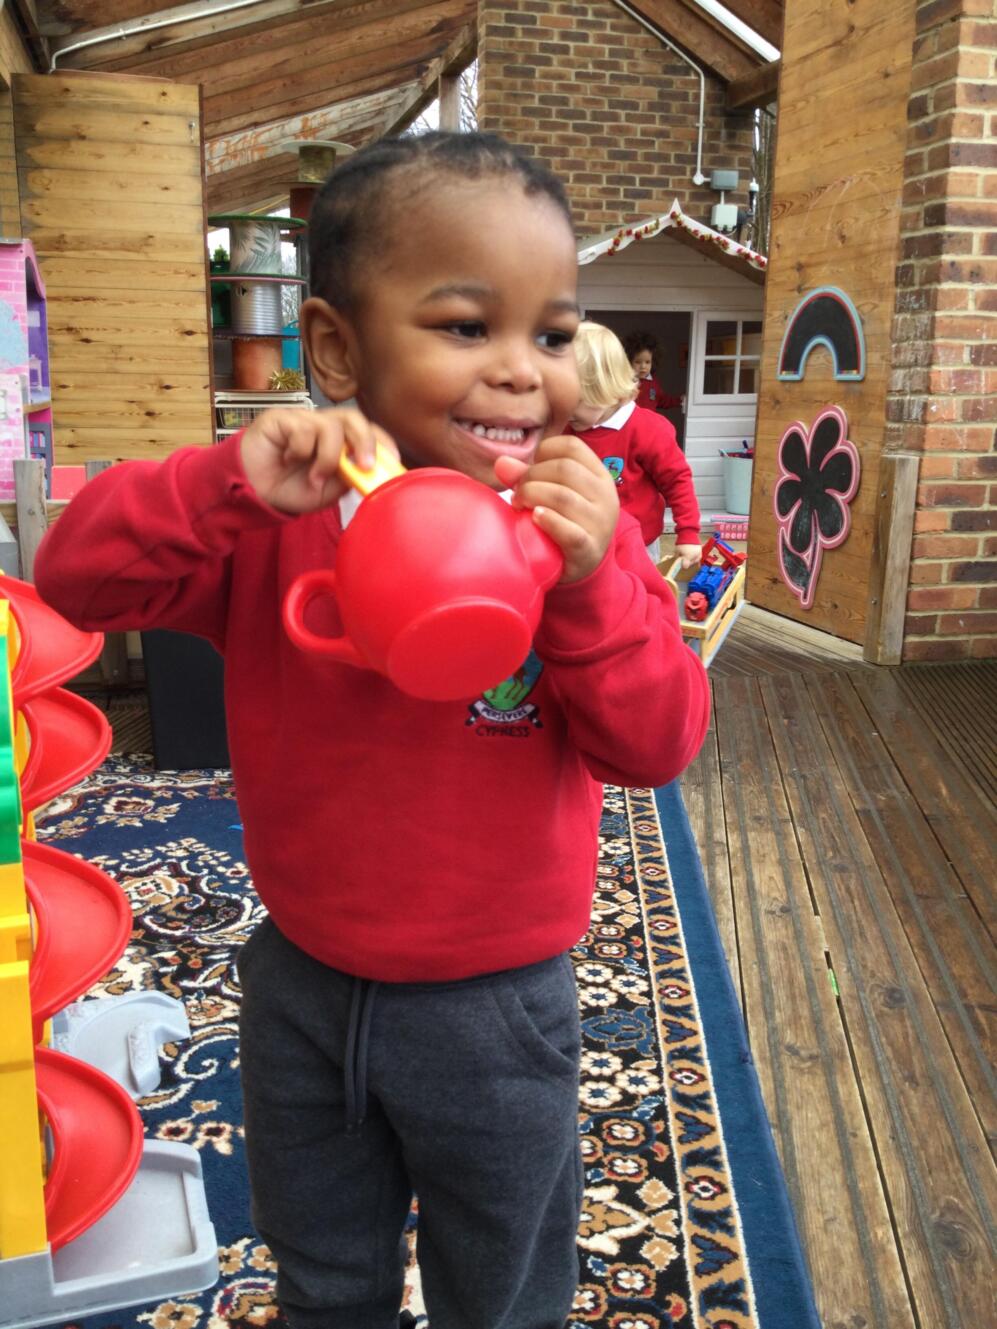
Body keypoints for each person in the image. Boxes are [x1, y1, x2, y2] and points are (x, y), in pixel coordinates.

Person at [35, 132, 710, 1329]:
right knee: (323, 1274)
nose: (522, 371)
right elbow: (74, 580)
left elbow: (657, 744)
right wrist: (224, 483)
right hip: (302, 981)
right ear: (339, 348)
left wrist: (591, 588)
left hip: (500, 1009)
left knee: (503, 1289)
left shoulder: (579, 544)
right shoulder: (277, 519)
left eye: (552, 334)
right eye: (467, 326)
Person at [570, 321, 702, 569]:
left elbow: (677, 481)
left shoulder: (648, 429)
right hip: (583, 543)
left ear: (609, 392)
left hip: (638, 543)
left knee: (639, 590)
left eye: (574, 401)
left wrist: (688, 533)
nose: (563, 409)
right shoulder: (564, 426)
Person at [623, 329, 684, 415]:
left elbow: (662, 400)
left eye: (647, 362)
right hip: (631, 421)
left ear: (653, 362)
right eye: (638, 362)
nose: (643, 366)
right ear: (629, 362)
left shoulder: (654, 383)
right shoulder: (624, 382)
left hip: (649, 421)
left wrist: (680, 401)